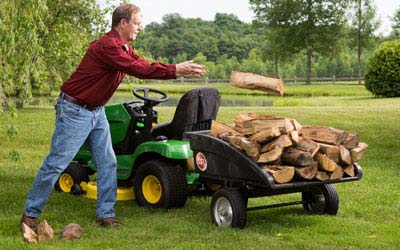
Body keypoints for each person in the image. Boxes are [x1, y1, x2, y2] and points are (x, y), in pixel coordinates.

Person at [21, 3, 206, 232]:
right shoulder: (108, 47)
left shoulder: (125, 48)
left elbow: (144, 65)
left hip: (96, 112)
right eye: (137, 23)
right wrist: (176, 69)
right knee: (56, 163)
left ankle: (106, 215)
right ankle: (30, 215)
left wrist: (173, 69)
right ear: (123, 23)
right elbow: (142, 71)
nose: (140, 27)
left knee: (108, 162)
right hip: (75, 111)